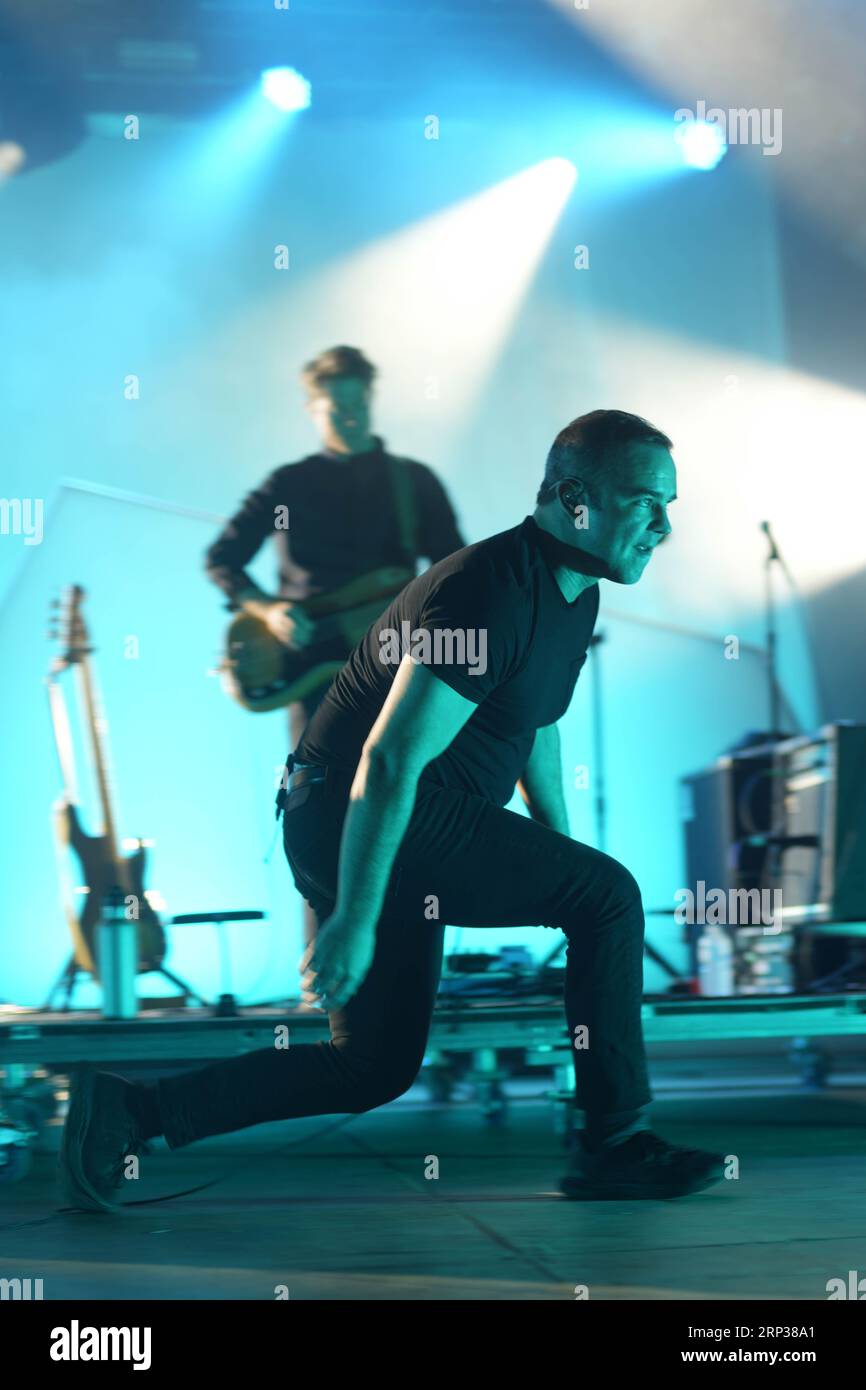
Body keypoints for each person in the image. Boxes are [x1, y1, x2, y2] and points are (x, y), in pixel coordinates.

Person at [60, 409, 726, 1209]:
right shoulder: (487, 590)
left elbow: (535, 722)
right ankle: (614, 1143)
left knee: (372, 1066)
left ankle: (128, 1112)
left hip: (405, 822)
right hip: (362, 812)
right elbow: (390, 757)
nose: (662, 526)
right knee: (611, 896)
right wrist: (354, 920)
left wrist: (562, 861)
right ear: (574, 496)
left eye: (670, 506)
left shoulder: (573, 592)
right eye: (645, 501)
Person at [205, 344, 465, 944]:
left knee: (404, 799)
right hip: (310, 677)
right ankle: (322, 968)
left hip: (394, 670)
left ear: (370, 400)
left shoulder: (413, 483)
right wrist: (267, 610)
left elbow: (458, 571)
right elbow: (222, 559)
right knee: (318, 813)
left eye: (357, 403)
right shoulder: (288, 484)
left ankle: (406, 959)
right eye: (334, 406)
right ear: (311, 408)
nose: (348, 416)